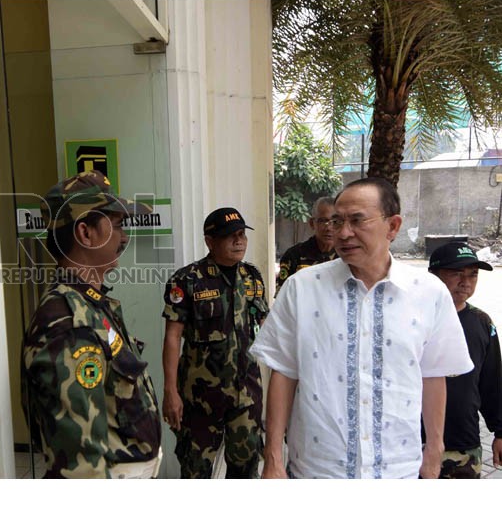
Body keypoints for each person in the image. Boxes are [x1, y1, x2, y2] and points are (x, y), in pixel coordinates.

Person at [250, 177, 473, 479]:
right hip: (319, 470)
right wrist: (273, 459)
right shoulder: (301, 288)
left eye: (357, 221)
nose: (343, 233)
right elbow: (284, 374)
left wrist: (433, 452)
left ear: (393, 226)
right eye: (337, 221)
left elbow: (433, 376)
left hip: (397, 470)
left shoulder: (428, 292)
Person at [21, 170, 162, 478]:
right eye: (116, 225)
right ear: (86, 233)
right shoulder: (69, 322)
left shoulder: (89, 304)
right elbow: (80, 465)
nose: (124, 236)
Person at [161, 207, 268, 478]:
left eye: (242, 234)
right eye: (230, 236)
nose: (239, 241)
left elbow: (265, 328)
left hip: (245, 393)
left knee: (244, 471)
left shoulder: (252, 277)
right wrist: (170, 391)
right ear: (210, 241)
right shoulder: (187, 280)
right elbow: (172, 337)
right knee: (196, 472)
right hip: (200, 398)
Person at [426, 241, 502, 478]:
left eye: (473, 275)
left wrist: (500, 431)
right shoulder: (414, 318)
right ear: (433, 276)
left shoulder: (481, 322)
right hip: (411, 443)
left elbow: (492, 381)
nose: (466, 282)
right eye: (456, 273)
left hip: (463, 445)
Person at [276, 196, 337, 294]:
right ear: (312, 223)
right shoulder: (294, 255)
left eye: (334, 222)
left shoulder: (346, 256)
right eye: (322, 221)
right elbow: (283, 297)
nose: (329, 228)